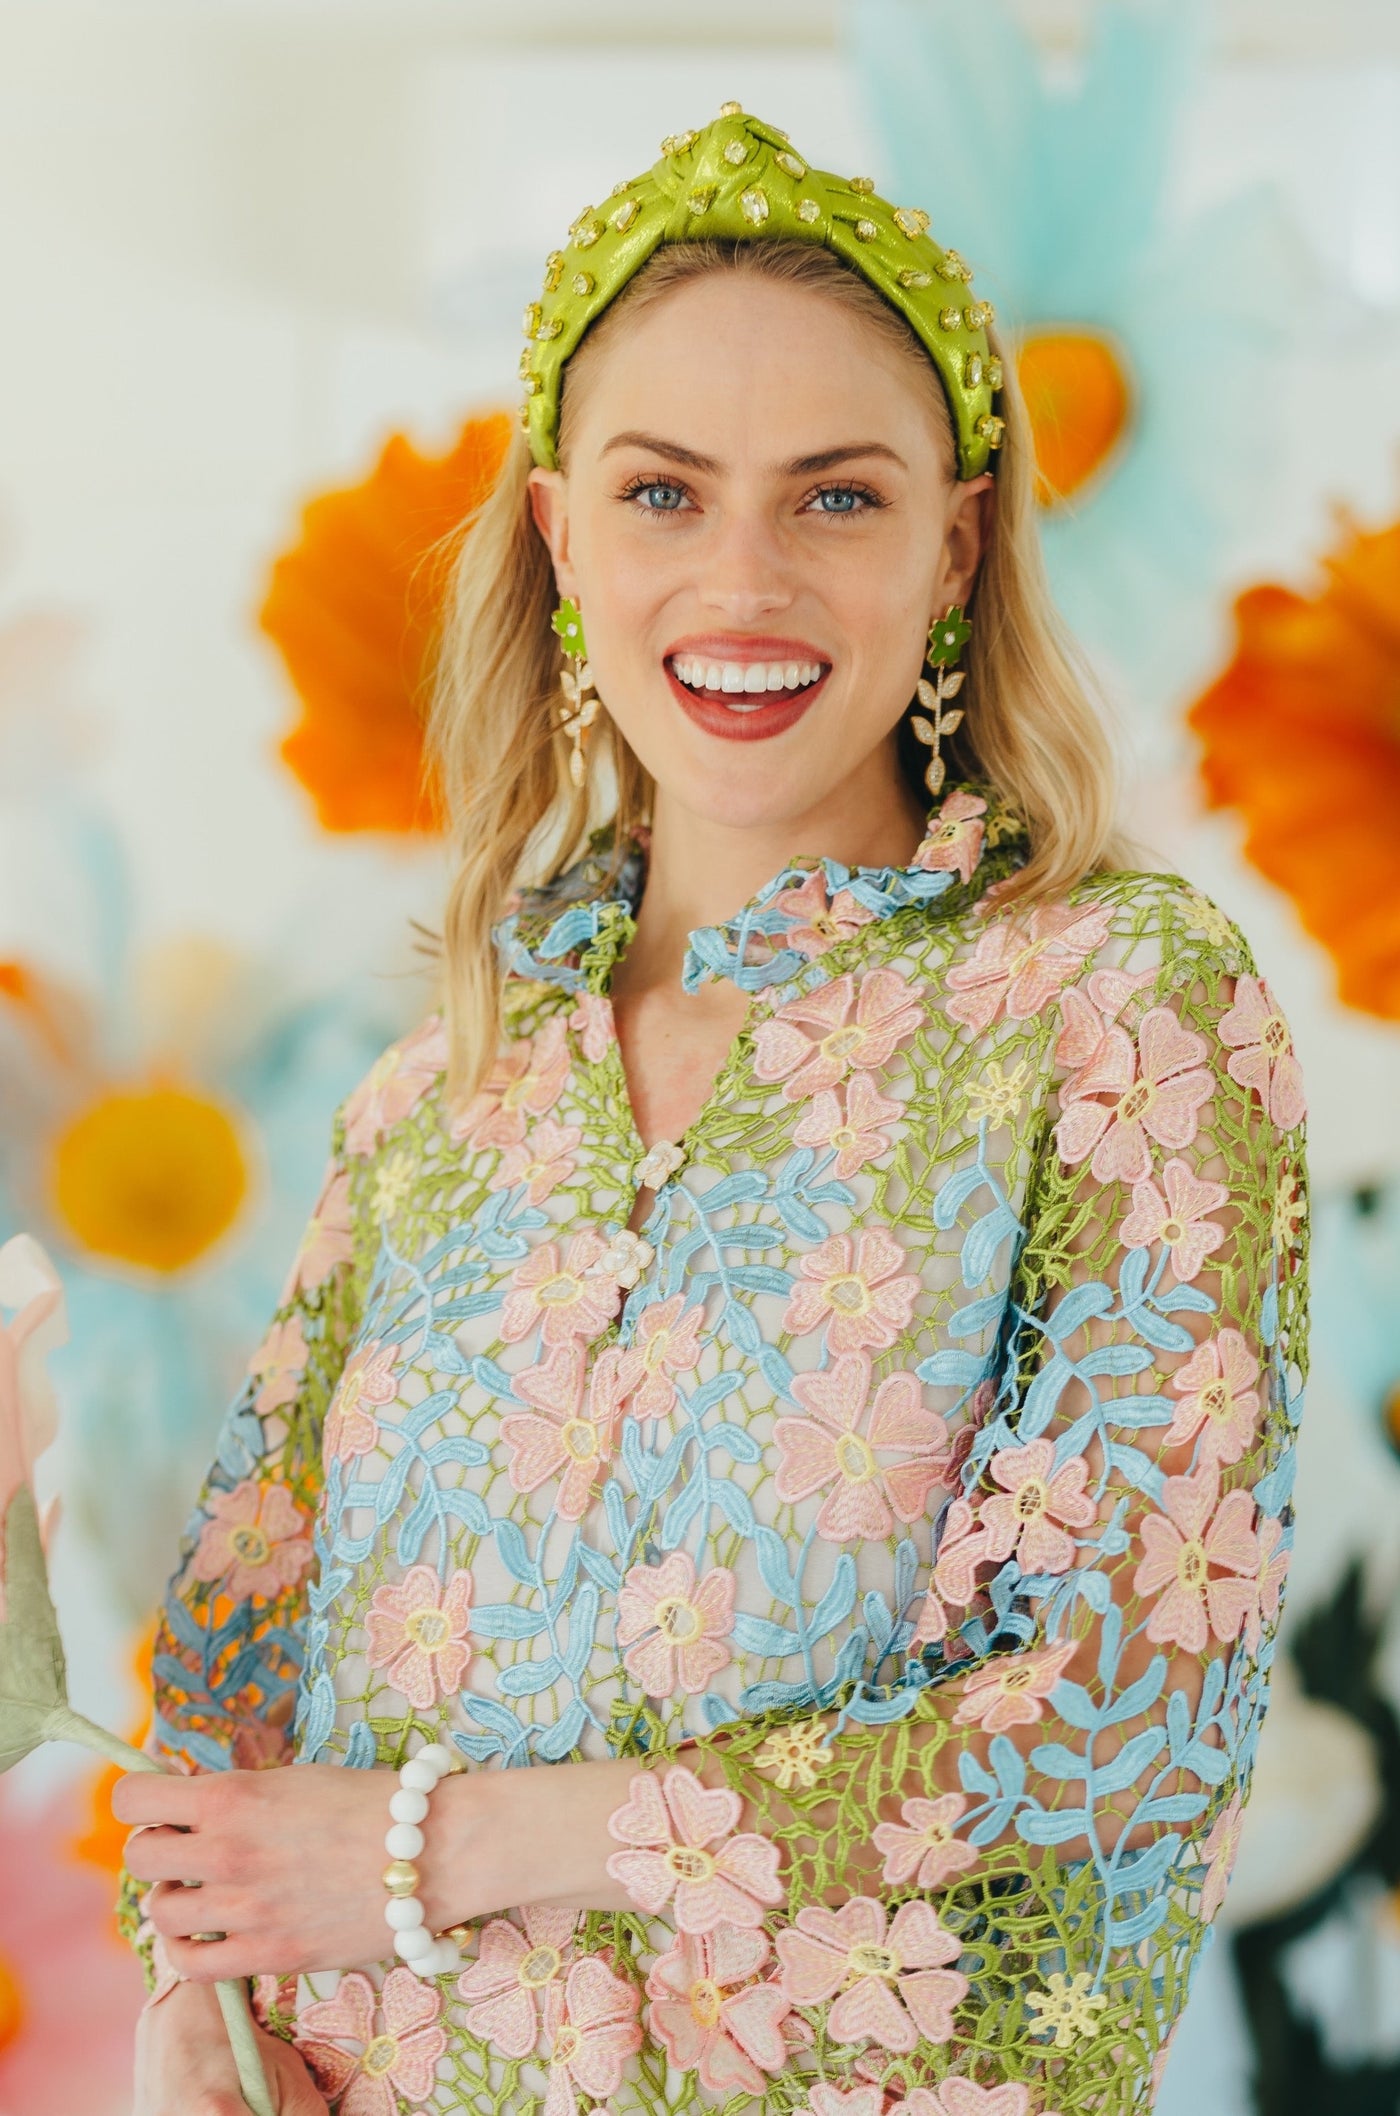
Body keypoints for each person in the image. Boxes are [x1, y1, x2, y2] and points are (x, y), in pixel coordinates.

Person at [114, 104, 1308, 2116]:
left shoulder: (1114, 1001)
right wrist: (190, 2010)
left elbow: (1125, 1710)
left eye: (832, 499)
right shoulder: (443, 1086)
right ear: (564, 535)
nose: (741, 578)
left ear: (955, 541)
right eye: (665, 493)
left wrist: (447, 1840)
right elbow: (235, 1668)